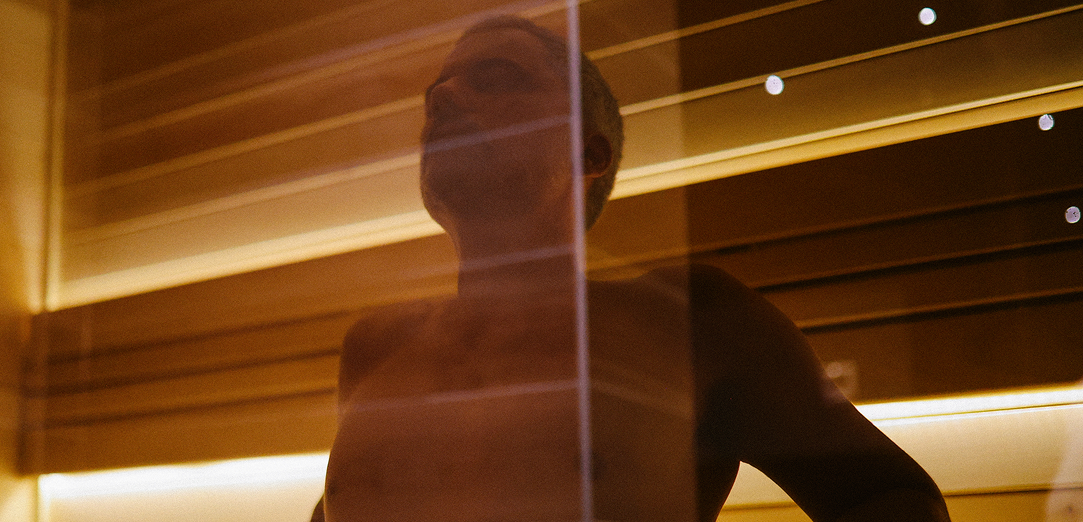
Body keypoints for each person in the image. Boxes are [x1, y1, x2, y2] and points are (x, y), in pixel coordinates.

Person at [314, 15, 950, 522]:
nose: (444, 96)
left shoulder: (689, 317)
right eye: (436, 91)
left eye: (496, 77)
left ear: (588, 151)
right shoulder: (374, 346)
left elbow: (891, 500)